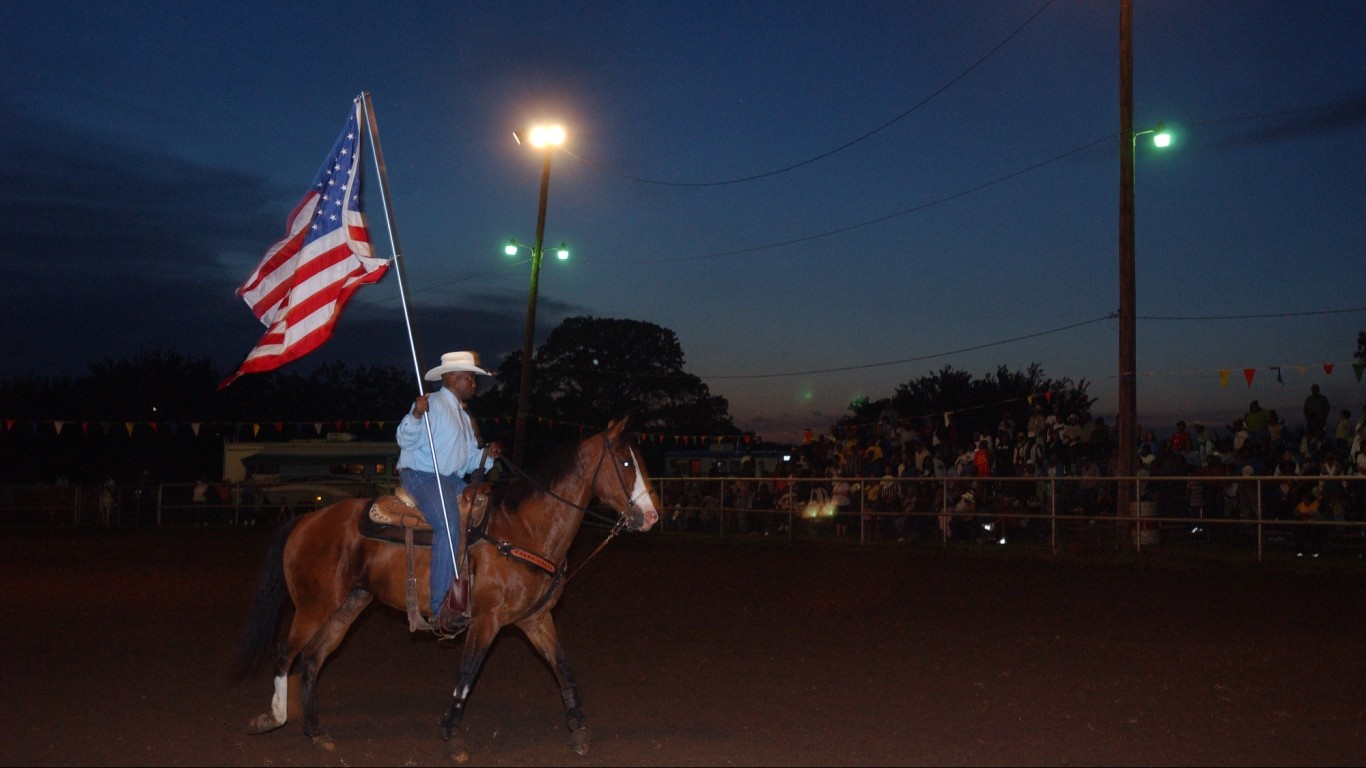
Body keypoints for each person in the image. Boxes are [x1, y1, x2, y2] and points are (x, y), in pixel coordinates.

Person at [396, 350, 501, 632]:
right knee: (450, 523)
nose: (474, 384)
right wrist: (416, 414)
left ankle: (465, 596)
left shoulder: (464, 417)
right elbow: (403, 438)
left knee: (482, 516)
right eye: (470, 378)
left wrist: (487, 456)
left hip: (451, 479)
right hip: (421, 476)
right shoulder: (431, 404)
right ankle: (442, 604)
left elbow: (467, 463)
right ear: (453, 378)